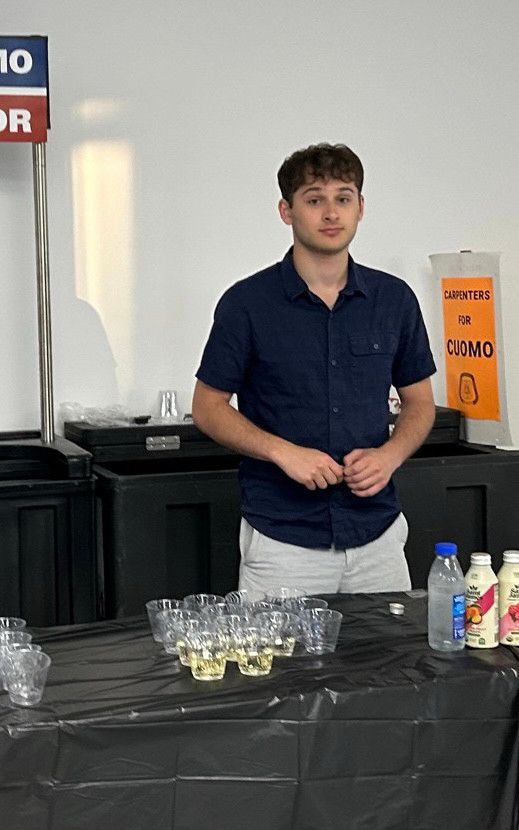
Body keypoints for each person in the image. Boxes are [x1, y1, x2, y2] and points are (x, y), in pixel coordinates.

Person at [192, 143, 436, 598]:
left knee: (388, 669)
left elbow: (420, 403)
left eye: (343, 198)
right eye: (314, 199)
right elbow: (208, 407)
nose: (331, 213)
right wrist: (283, 452)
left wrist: (390, 456)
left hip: (378, 538)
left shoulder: (394, 300)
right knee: (279, 670)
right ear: (286, 211)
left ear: (361, 208)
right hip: (284, 542)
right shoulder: (247, 304)